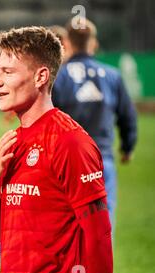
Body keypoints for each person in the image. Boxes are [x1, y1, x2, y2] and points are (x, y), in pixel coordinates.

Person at [0, 26, 113, 273]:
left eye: (8, 72)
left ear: (41, 76)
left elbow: (99, 238)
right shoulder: (12, 143)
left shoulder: (70, 142)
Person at [52, 19, 137, 232]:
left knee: (65, 226)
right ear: (94, 44)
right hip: (101, 160)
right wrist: (127, 147)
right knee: (102, 227)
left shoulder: (58, 77)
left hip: (65, 163)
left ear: (68, 43)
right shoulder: (112, 76)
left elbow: (47, 120)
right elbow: (128, 117)